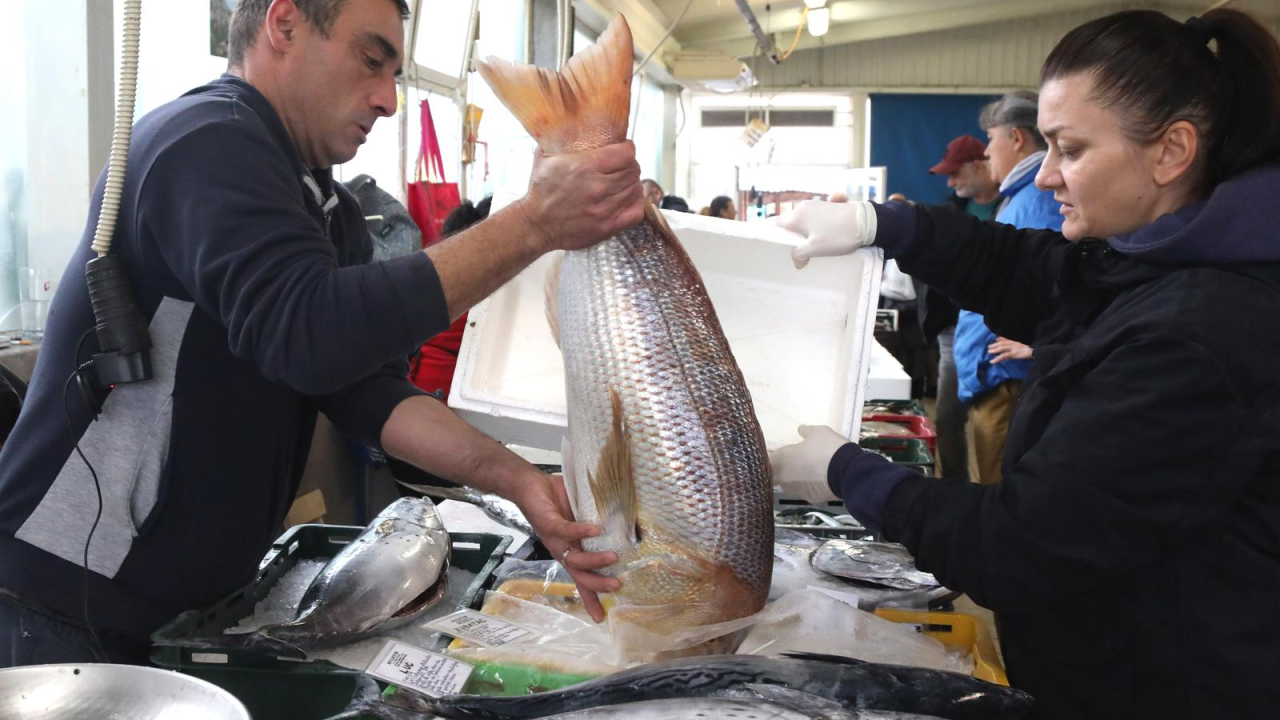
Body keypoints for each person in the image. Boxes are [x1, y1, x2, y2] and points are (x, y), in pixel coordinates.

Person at [0, 0, 639, 666]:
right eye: (371, 60)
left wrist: (521, 483)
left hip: (182, 610)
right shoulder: (204, 143)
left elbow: (368, 391)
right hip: (64, 604)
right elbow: (308, 331)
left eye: (395, 73)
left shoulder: (328, 211)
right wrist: (534, 224)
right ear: (284, 24)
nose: (388, 99)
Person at [774, 9, 1280, 719]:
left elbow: (1020, 544)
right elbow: (1020, 268)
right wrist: (883, 224)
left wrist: (849, 474)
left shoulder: (1203, 331)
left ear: (1172, 151)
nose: (1045, 178)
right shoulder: (1147, 261)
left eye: (1071, 150)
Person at [951, 91, 1062, 485]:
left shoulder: (1040, 201)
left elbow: (1062, 286)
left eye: (990, 139)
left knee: (995, 493)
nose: (987, 153)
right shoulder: (1021, 198)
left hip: (1008, 380)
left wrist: (1039, 343)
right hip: (996, 379)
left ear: (1016, 138)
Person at [922, 135, 1002, 481]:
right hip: (955, 330)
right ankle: (955, 488)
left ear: (980, 165)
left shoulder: (1014, 207)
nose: (951, 182)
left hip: (1001, 332)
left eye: (956, 173)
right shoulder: (950, 213)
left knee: (995, 421)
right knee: (948, 417)